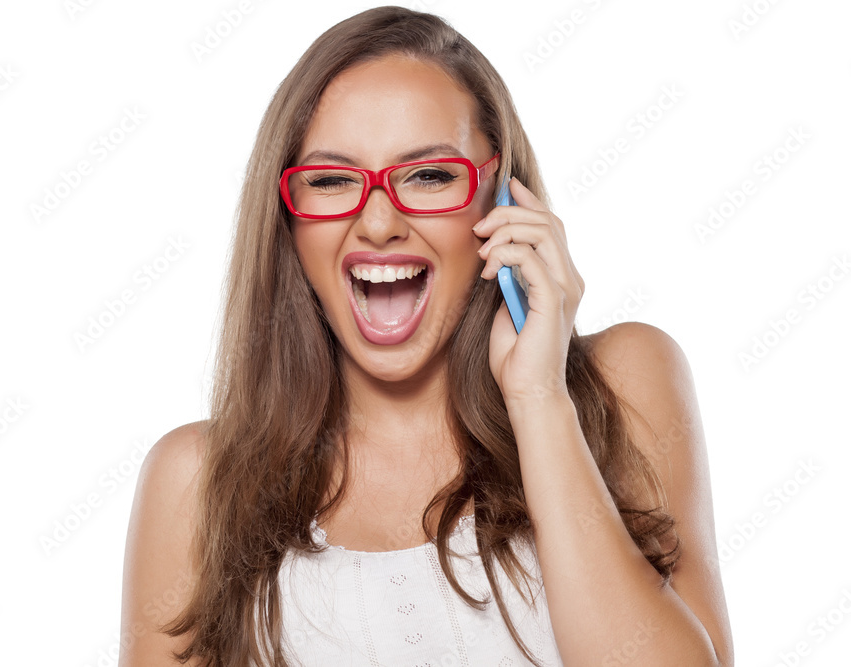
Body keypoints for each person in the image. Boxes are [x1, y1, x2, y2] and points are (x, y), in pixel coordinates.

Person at [119, 6, 733, 666]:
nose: (379, 222)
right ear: (288, 223)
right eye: (330, 180)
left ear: (501, 202)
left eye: (430, 175)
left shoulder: (624, 380)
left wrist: (539, 401)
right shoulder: (196, 482)